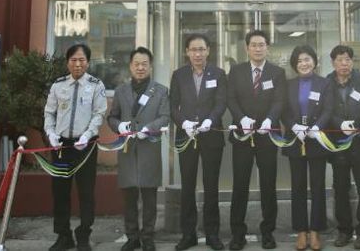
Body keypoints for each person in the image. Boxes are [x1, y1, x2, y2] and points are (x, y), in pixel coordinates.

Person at [44, 43, 107, 251]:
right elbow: (49, 113)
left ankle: (83, 235)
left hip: (85, 146)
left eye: (82, 60)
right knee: (60, 191)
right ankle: (63, 236)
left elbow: (99, 114)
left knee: (86, 192)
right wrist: (51, 133)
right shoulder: (58, 85)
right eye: (73, 60)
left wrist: (88, 134)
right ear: (67, 62)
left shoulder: (96, 85)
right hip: (62, 147)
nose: (78, 64)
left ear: (88, 62)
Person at [227, 29, 287, 250]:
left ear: (267, 47)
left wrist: (270, 120)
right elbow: (230, 98)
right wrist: (241, 118)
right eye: (254, 45)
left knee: (268, 186)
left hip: (267, 137)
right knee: (240, 186)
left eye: (262, 45)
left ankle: (268, 232)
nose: (258, 48)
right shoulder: (236, 71)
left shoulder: (277, 72)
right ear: (247, 48)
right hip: (242, 137)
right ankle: (237, 234)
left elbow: (279, 101)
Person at [108, 47, 170, 251]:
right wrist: (119, 126)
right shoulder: (121, 91)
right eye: (137, 64)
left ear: (150, 66)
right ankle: (132, 236)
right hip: (127, 150)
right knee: (129, 197)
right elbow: (112, 117)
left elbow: (165, 117)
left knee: (150, 198)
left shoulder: (160, 91)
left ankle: (148, 237)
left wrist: (149, 128)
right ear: (130, 66)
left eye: (144, 64)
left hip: (149, 149)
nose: (140, 68)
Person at [170, 34, 227, 251]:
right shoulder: (179, 75)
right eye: (193, 49)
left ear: (208, 51)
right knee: (188, 186)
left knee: (211, 186)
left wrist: (210, 121)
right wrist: (183, 123)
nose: (198, 54)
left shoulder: (218, 74)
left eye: (201, 49)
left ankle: (212, 234)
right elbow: (172, 105)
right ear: (187, 52)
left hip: (211, 136)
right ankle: (188, 234)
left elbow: (221, 102)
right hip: (187, 137)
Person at [282, 45, 333, 251]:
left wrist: (317, 127)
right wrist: (294, 126)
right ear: (295, 65)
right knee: (298, 186)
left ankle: (315, 231)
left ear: (314, 61)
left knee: (318, 186)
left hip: (316, 139)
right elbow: (283, 110)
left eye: (307, 59)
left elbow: (328, 109)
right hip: (296, 140)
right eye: (300, 61)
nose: (304, 63)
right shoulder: (288, 85)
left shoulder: (324, 83)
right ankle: (301, 231)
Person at [326, 44, 360, 250]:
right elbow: (325, 111)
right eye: (340, 60)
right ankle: (344, 230)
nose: (344, 63)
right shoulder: (327, 83)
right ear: (333, 63)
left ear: (352, 62)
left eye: (347, 59)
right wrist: (339, 124)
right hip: (338, 145)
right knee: (340, 188)